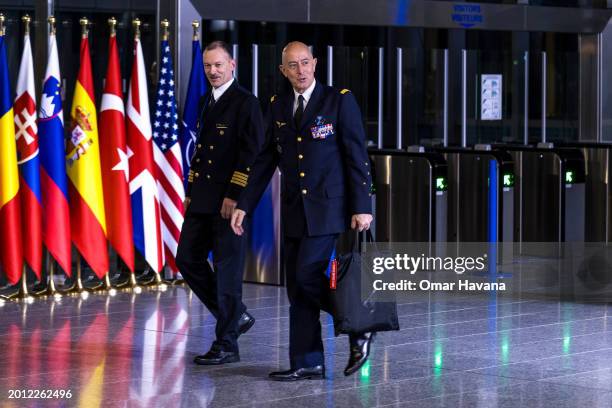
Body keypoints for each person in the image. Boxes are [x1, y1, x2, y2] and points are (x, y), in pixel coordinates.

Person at [231, 41, 374, 380]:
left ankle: (359, 324)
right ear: (283, 70)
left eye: (305, 63)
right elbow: (265, 158)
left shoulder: (338, 100)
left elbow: (356, 156)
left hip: (328, 209)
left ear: (315, 63)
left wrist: (362, 206)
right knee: (297, 289)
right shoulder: (277, 105)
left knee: (307, 275)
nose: (300, 70)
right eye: (292, 66)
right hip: (295, 210)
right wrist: (244, 203)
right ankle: (308, 361)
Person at [176, 41, 265, 365]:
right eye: (208, 66)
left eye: (218, 65)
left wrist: (234, 196)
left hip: (229, 202)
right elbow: (200, 155)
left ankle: (227, 343)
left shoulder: (246, 103)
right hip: (202, 199)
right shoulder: (205, 101)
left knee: (227, 273)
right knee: (187, 258)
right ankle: (236, 316)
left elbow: (251, 155)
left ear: (232, 65)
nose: (212, 71)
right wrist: (191, 190)